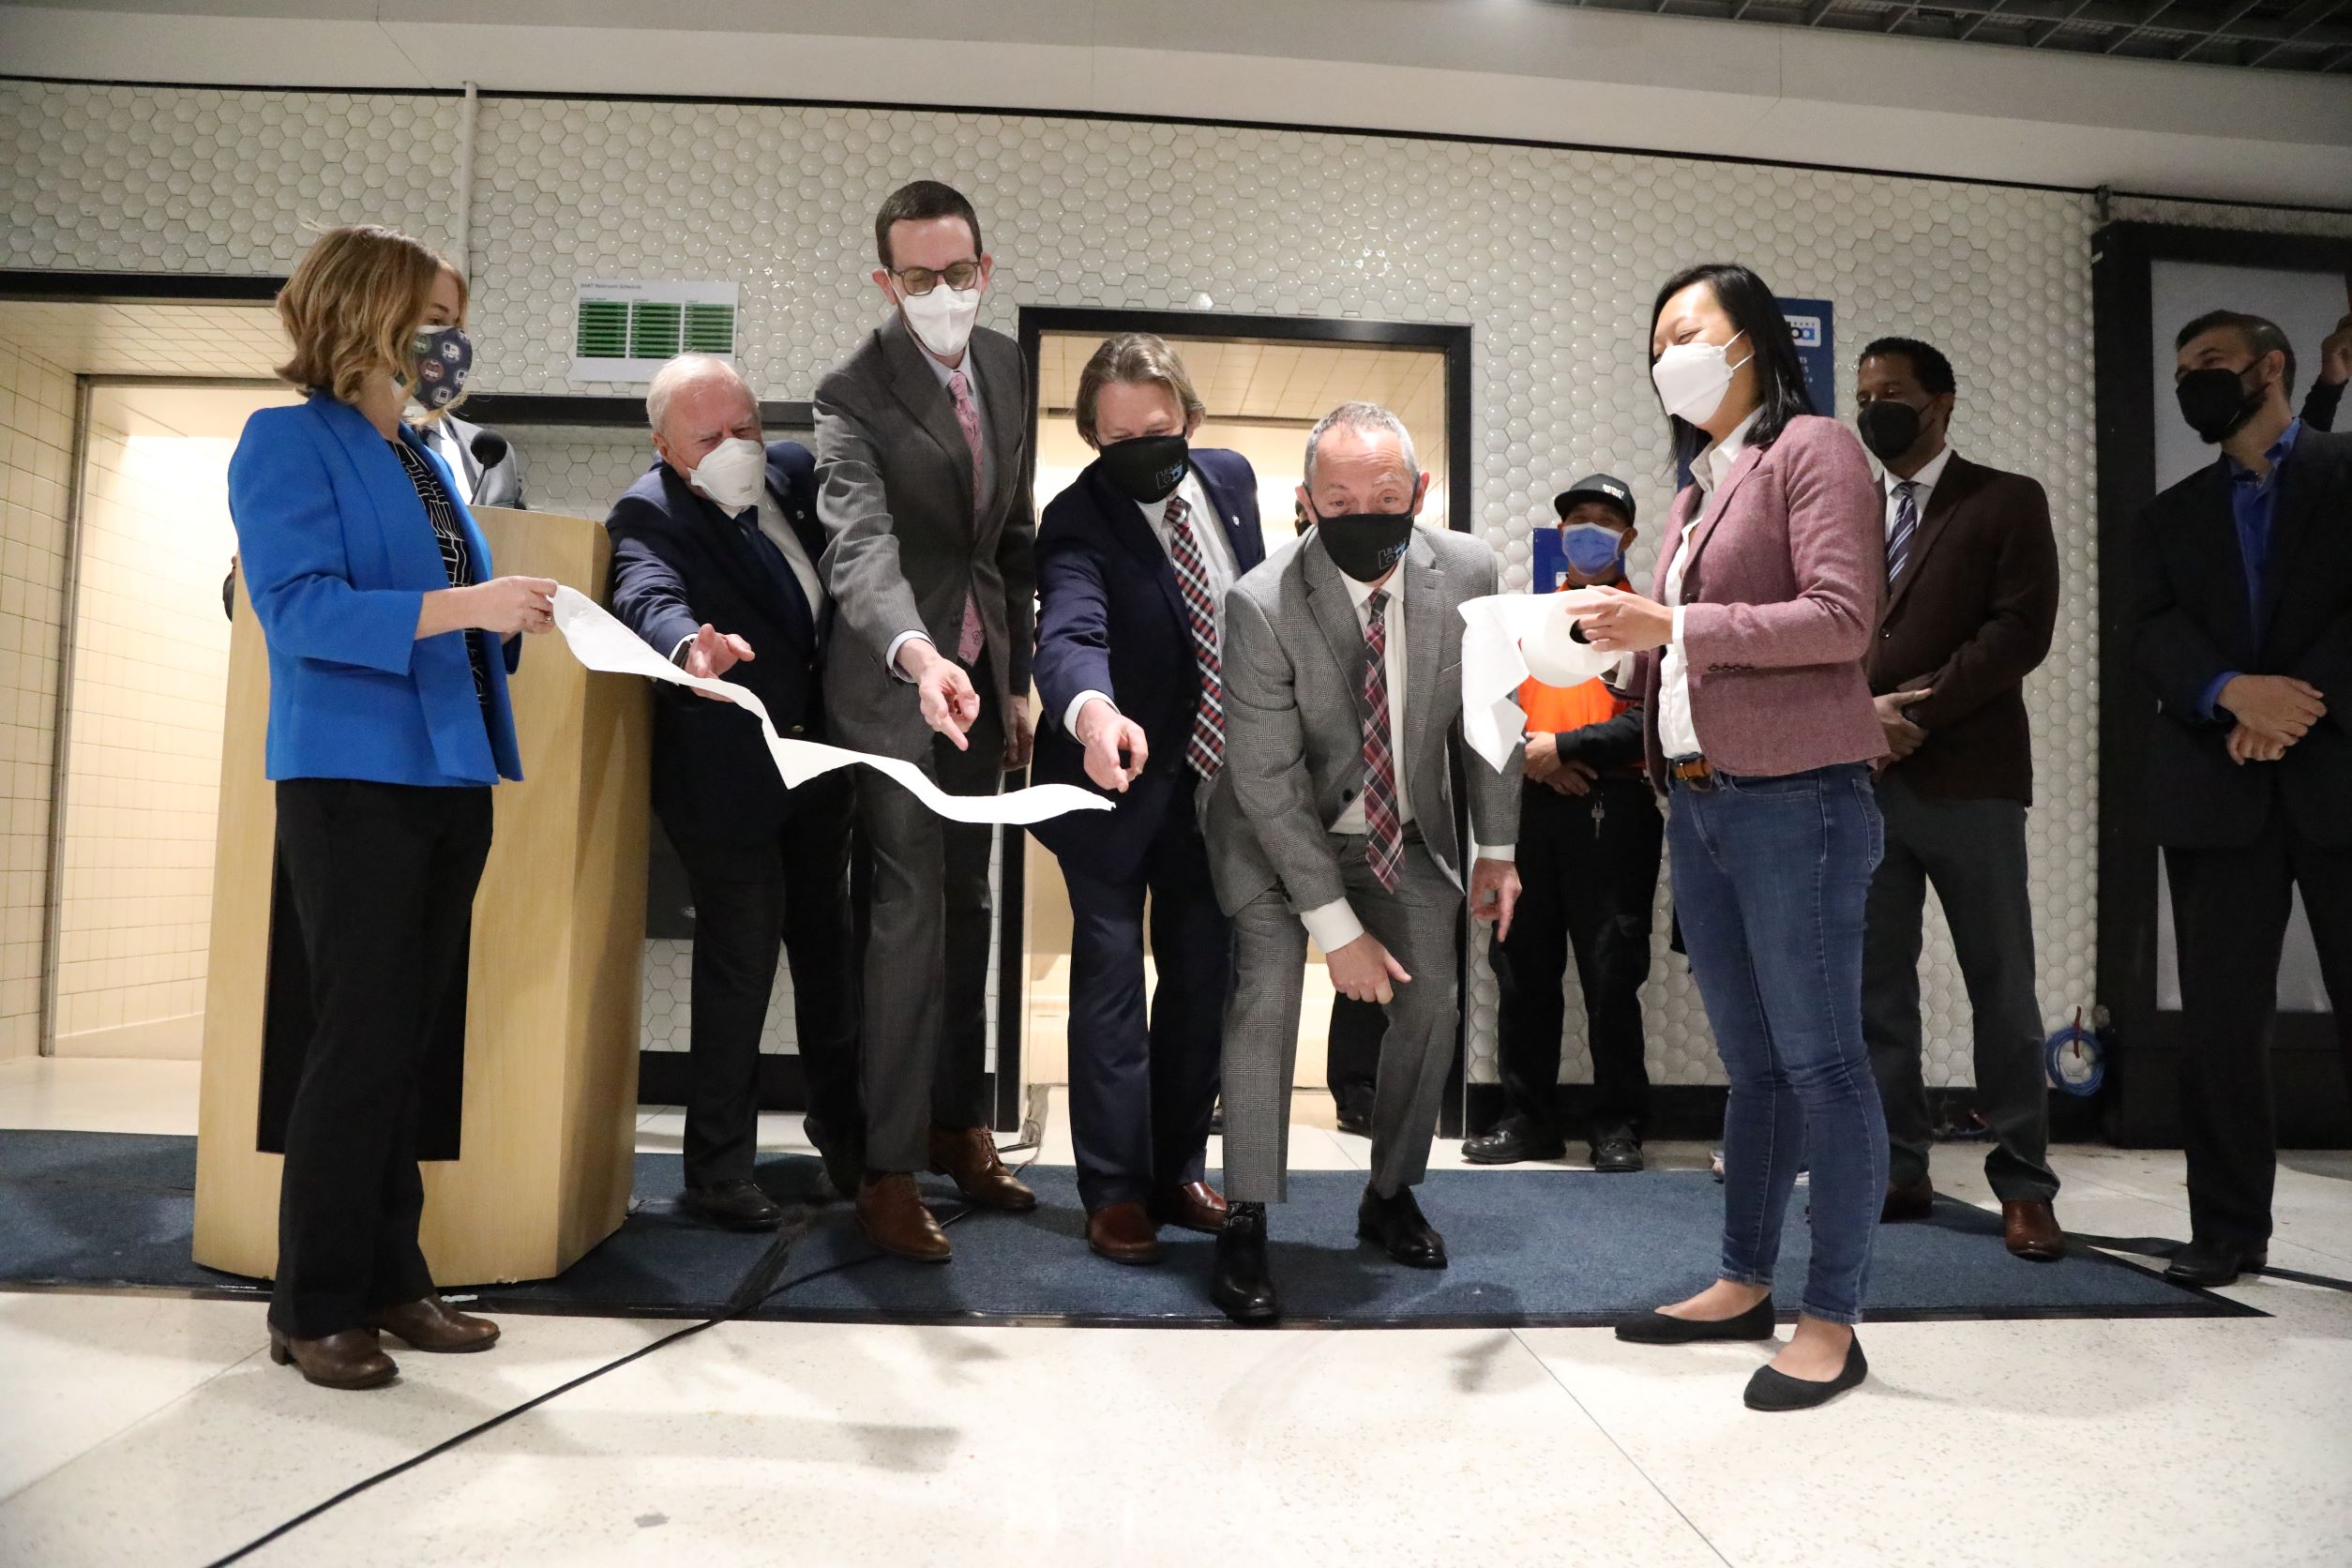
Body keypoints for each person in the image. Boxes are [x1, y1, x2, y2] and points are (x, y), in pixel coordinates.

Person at [227, 224, 556, 1389]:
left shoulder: (424, 457)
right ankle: (311, 1301)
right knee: (356, 1041)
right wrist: (467, 609)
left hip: (448, 772)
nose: (449, 340)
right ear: (367, 313)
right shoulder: (286, 442)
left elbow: (449, 610)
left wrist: (503, 618)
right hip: (351, 777)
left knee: (404, 1042)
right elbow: (301, 611)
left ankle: (390, 1275)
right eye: (434, 314)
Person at [1581, 264, 1886, 1412]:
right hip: (1702, 799)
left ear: (1753, 339)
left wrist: (1676, 622)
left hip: (1799, 795)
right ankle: (1744, 1278)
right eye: (1657, 339)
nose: (1671, 355)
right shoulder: (1700, 485)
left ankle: (1834, 1315)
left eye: (1689, 331)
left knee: (1823, 1061)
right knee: (1754, 1066)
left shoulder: (1814, 447)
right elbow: (1695, 640)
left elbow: (1844, 617)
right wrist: (1623, 656)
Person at [1204, 401, 1521, 1324]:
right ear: (1306, 504)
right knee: (1265, 997)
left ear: (1419, 493)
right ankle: (1248, 1214)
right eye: (1338, 498)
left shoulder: (1468, 571)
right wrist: (1333, 929)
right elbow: (1263, 781)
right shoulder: (1260, 601)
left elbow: (1490, 717)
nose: (1364, 511)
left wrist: (1496, 846)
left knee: (1433, 999)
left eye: (1386, 495)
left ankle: (1389, 1192)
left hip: (1402, 828)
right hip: (1275, 837)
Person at [815, 179, 1037, 1261]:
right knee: (905, 916)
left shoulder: (1004, 366)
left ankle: (959, 1126)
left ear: (985, 271)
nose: (943, 293)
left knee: (970, 904)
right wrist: (916, 654)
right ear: (886, 281)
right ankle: (887, 1169)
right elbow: (857, 544)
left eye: (959, 274)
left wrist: (1022, 678)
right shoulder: (850, 391)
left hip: (986, 686)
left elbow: (1013, 540)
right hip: (895, 688)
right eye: (918, 278)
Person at [605, 354, 864, 1229]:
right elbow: (644, 591)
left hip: (818, 767)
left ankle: (853, 1148)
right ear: (666, 447)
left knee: (832, 960)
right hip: (725, 779)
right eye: (709, 437)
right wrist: (689, 652)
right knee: (741, 962)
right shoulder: (649, 509)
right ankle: (718, 1171)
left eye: (744, 427)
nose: (733, 447)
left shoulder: (789, 475)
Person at [2131, 309, 2352, 1288]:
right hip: (2215, 789)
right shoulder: (2167, 515)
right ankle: (2226, 1233)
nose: (2194, 384)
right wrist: (2230, 693)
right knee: (2219, 1027)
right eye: (2183, 371)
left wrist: (2295, 700)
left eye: (2212, 364)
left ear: (2271, 368)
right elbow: (2150, 631)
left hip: (2338, 769)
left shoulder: (2346, 475)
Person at [1030, 334, 1261, 1263]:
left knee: (1203, 986)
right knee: (1113, 988)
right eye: (1113, 435)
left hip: (1214, 790)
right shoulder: (1076, 516)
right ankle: (1115, 1189)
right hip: (1109, 780)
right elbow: (1071, 629)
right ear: (1091, 433)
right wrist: (1091, 712)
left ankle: (1176, 1169)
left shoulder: (1231, 479)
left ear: (1191, 422)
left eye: (1155, 431)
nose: (1136, 449)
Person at [1851, 337, 2065, 1262]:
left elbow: (2020, 629)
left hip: (1970, 782)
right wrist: (1857, 718)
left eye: (1892, 393)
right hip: (1864, 781)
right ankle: (1901, 1166)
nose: (1874, 409)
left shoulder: (2005, 499)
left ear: (1941, 401)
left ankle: (2025, 1183)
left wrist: (1918, 714)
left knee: (2002, 990)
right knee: (1877, 995)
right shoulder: (1846, 510)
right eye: (1864, 395)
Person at [1466, 474, 1662, 1173]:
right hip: (1526, 812)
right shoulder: (1524, 618)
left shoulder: (1648, 621)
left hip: (1616, 815)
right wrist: (1535, 761)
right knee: (1521, 967)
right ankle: (1527, 1121)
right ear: (1558, 535)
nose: (1588, 530)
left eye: (1604, 520)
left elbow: (1658, 721)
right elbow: (1488, 707)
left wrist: (1570, 749)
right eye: (1577, 519)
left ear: (1628, 537)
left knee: (1613, 974)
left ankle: (1617, 1125)